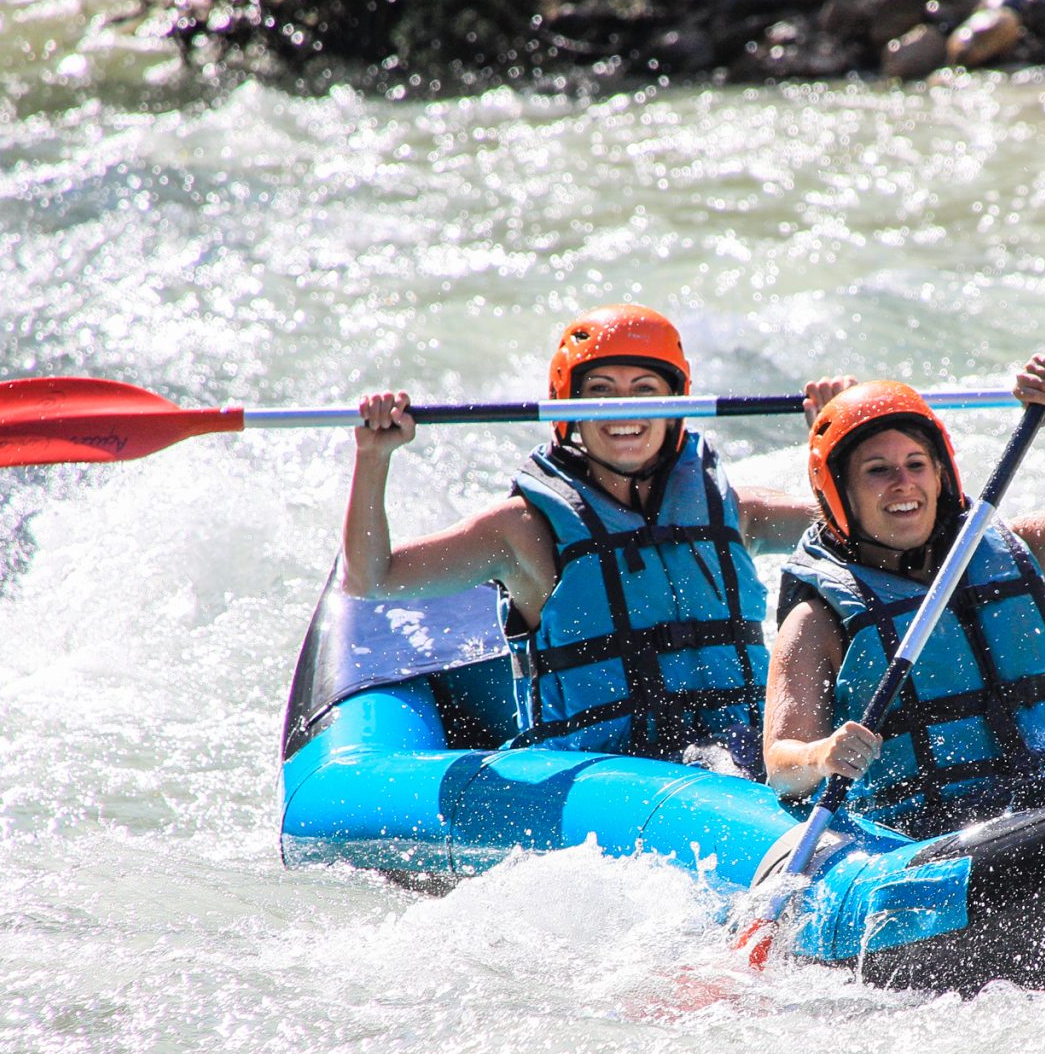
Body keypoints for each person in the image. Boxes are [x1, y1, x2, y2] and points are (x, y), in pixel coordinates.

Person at [347, 304, 817, 773]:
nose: (621, 408)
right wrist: (374, 457)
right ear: (567, 405)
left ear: (676, 403)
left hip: (743, 752)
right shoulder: (523, 529)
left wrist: (835, 436)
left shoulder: (731, 511)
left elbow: (865, 530)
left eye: (644, 390)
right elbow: (372, 578)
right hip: (609, 779)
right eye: (600, 390)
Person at [762, 356, 1045, 839]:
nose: (903, 482)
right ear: (839, 491)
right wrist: (821, 755)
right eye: (878, 470)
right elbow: (781, 763)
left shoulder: (1014, 554)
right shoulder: (816, 618)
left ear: (941, 476)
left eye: (916, 464)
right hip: (930, 838)